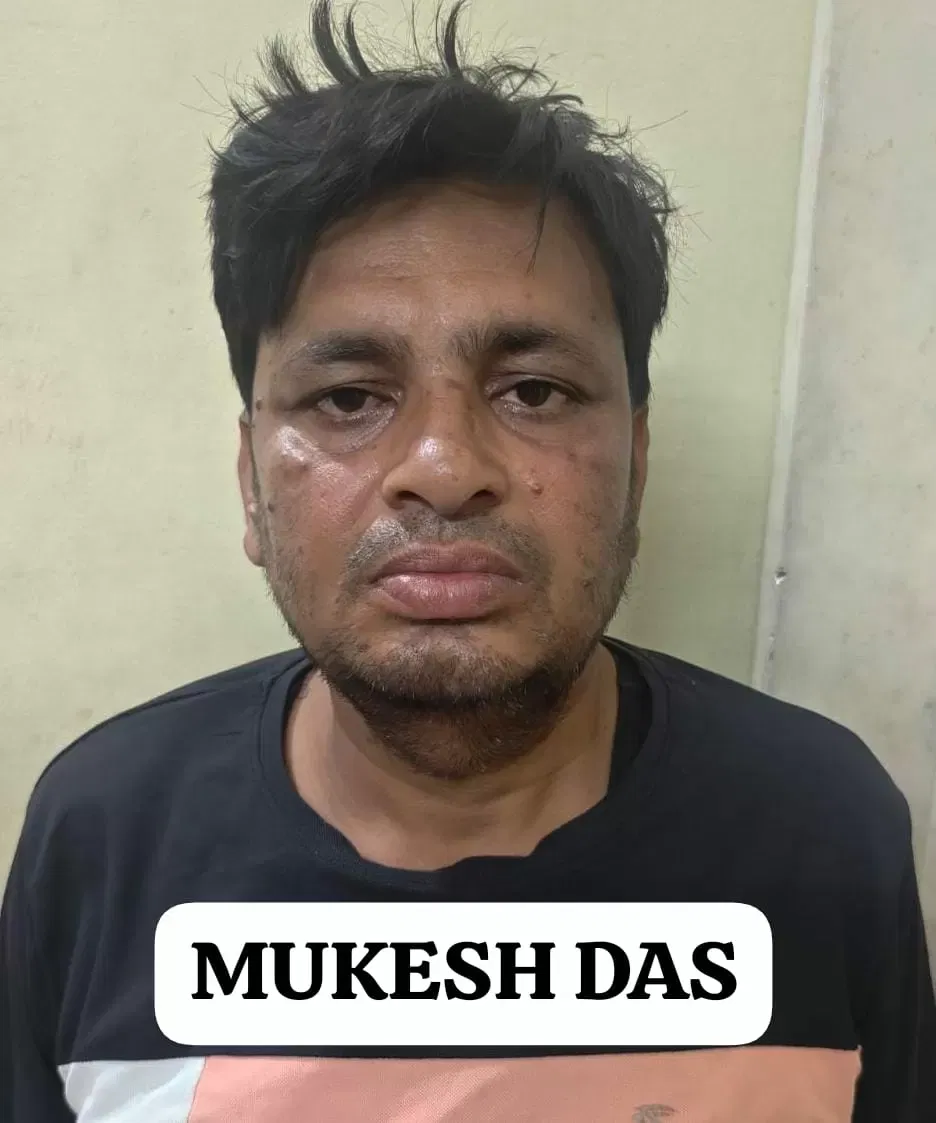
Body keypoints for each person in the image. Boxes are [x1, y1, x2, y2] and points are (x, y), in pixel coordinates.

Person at [2, 1, 933, 1120]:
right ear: (252, 479)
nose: (444, 469)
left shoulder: (822, 828)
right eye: (349, 397)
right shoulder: (104, 833)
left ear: (637, 463)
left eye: (533, 390)